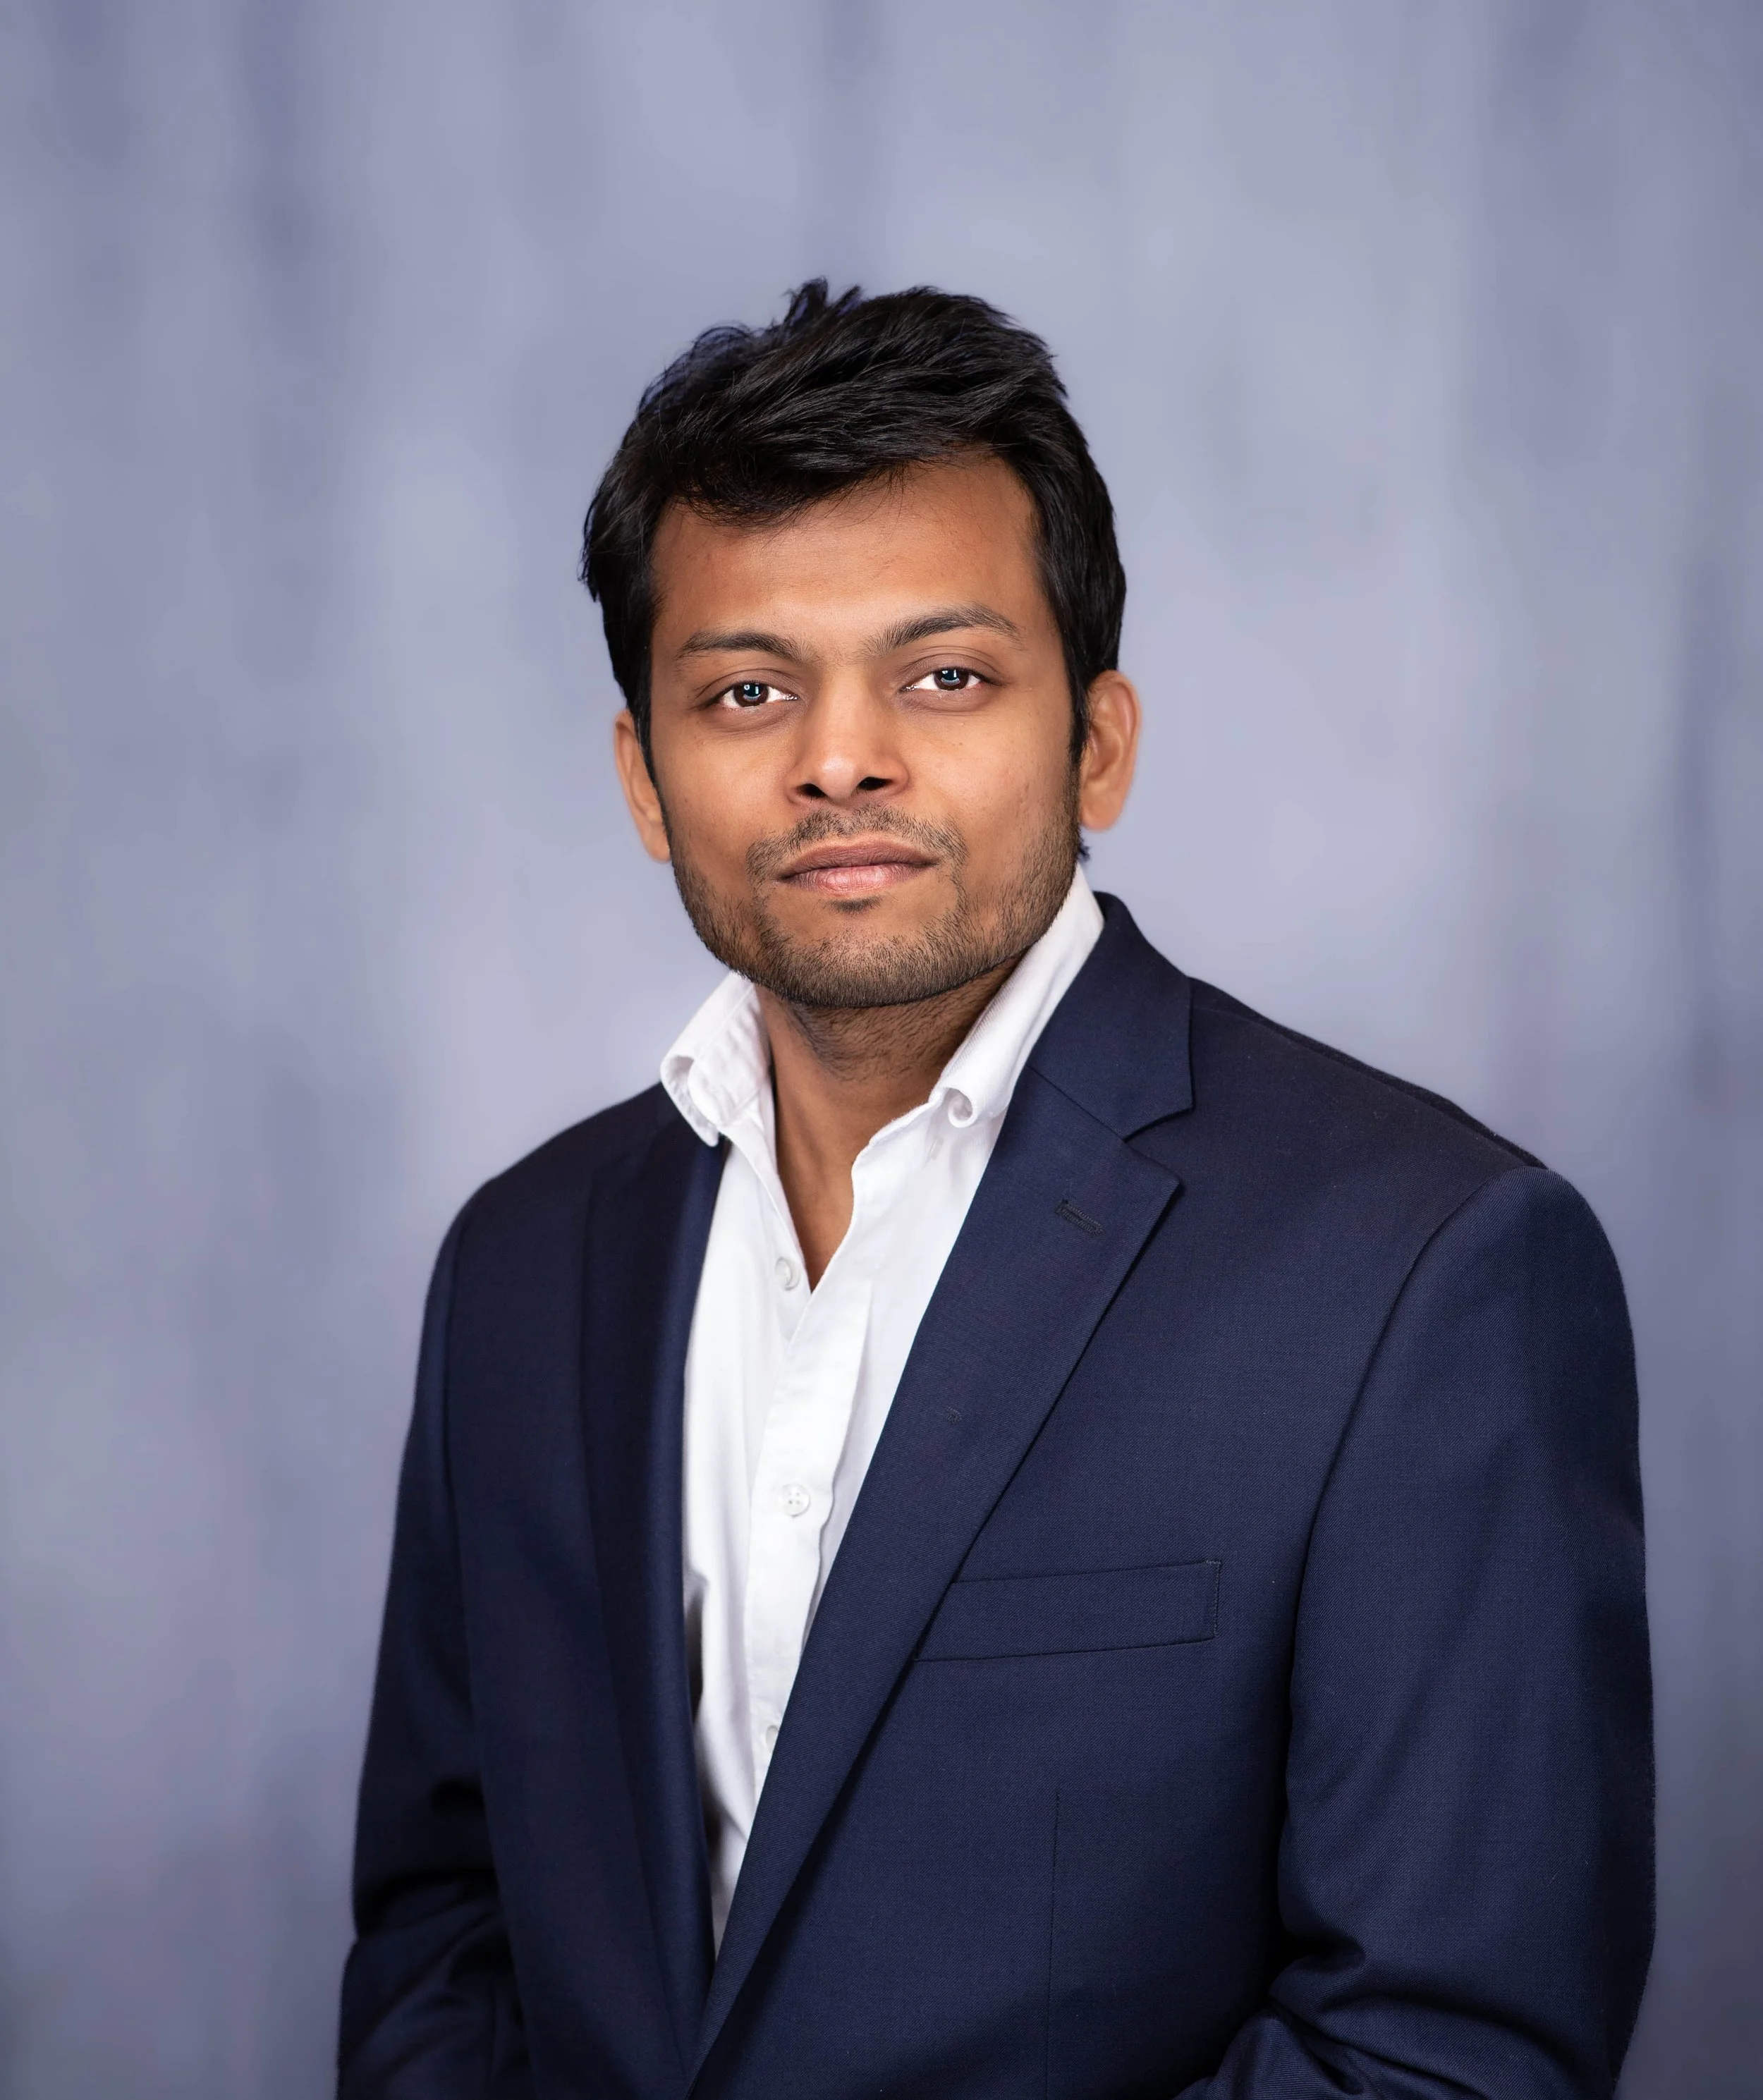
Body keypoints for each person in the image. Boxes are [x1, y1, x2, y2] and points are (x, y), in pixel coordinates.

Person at [338, 282, 1652, 2100]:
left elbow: (1444, 2054)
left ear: (1097, 739)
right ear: (645, 776)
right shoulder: (521, 1259)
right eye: (745, 690)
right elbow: (444, 1930)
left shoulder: (1419, 1262)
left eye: (944, 674)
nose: (840, 757)